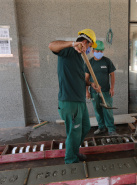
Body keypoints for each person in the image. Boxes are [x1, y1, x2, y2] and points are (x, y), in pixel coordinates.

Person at [48, 29, 100, 164]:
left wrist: (91, 84)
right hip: (70, 100)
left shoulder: (79, 57)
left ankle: (74, 151)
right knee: (74, 132)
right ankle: (71, 160)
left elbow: (80, 80)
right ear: (84, 42)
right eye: (90, 46)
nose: (89, 49)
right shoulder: (69, 51)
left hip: (79, 100)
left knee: (85, 127)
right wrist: (72, 44)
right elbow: (52, 45)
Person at [85, 40, 117, 136]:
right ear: (93, 51)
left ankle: (111, 129)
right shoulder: (89, 63)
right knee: (98, 111)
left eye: (101, 51)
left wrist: (112, 88)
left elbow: (112, 75)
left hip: (106, 91)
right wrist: (87, 91)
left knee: (108, 110)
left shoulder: (107, 61)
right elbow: (86, 79)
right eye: (97, 51)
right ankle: (101, 127)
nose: (100, 53)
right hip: (94, 92)